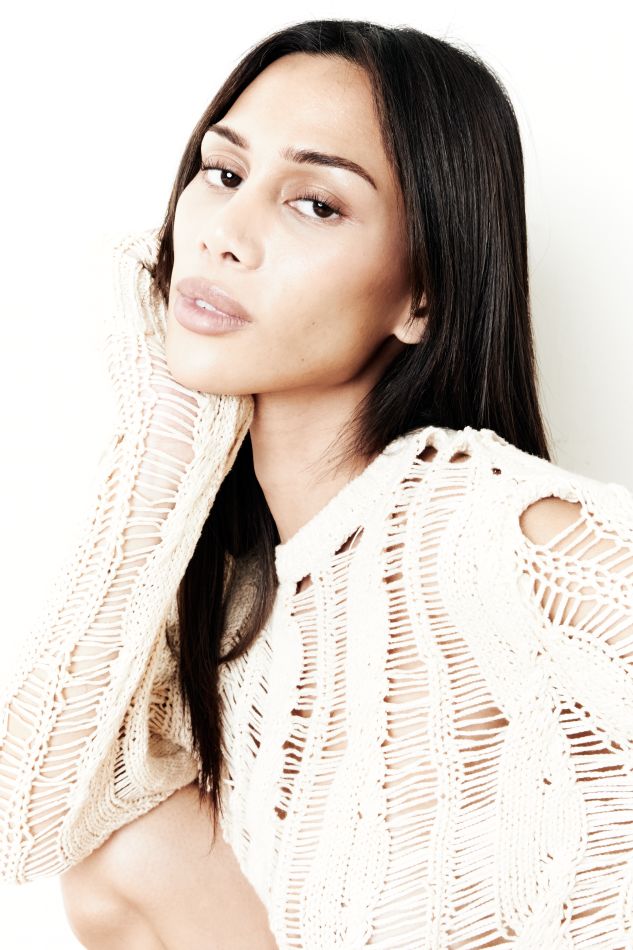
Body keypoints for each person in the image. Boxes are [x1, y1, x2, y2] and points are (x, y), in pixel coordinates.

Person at [2, 17, 632, 950]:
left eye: (316, 204)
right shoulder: (242, 599)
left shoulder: (506, 537)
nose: (224, 235)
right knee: (126, 853)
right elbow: (27, 825)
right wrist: (163, 442)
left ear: (421, 296)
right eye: (223, 174)